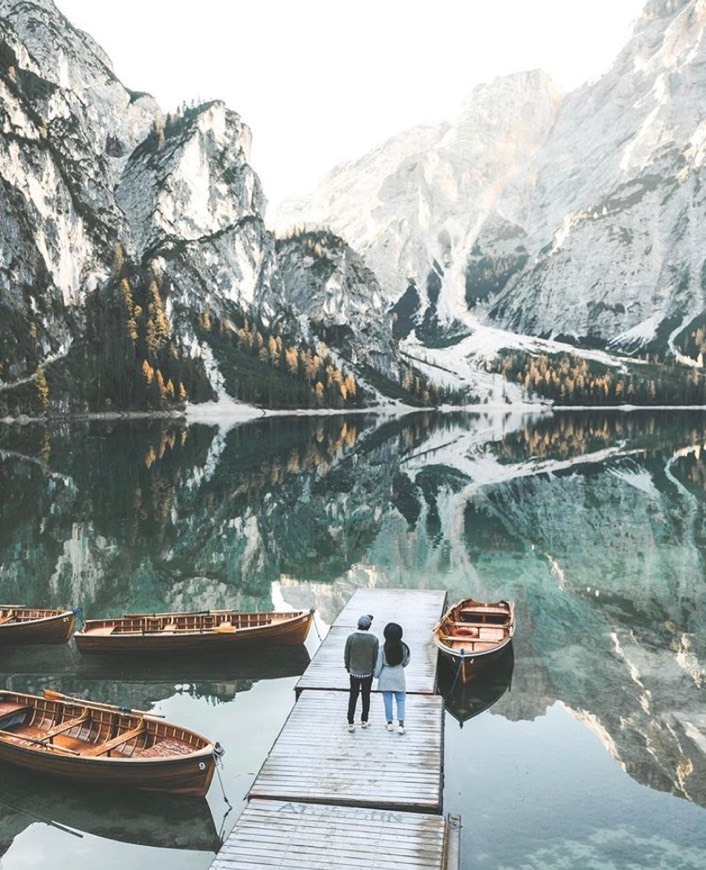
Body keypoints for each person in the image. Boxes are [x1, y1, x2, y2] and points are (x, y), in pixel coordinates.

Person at [374, 621, 410, 734]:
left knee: (387, 701)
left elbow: (378, 665)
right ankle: (401, 725)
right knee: (401, 700)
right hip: (399, 675)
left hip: (385, 677)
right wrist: (400, 666)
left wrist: (376, 675)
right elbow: (406, 662)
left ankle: (389, 723)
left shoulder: (381, 649)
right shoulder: (404, 648)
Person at [344, 614, 378, 732]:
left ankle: (350, 722)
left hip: (354, 673)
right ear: (369, 626)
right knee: (365, 696)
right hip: (367, 673)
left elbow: (346, 655)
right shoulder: (374, 639)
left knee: (353, 696)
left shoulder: (351, 638)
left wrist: (348, 667)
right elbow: (375, 658)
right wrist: (373, 669)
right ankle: (364, 720)